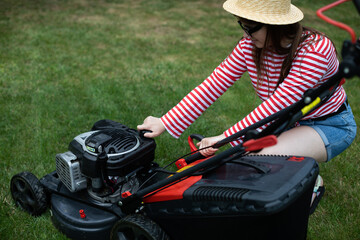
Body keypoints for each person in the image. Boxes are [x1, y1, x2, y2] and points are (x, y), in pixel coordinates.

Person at [137, 0, 357, 207]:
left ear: (275, 24)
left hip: (329, 125)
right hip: (287, 123)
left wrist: (226, 139)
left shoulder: (315, 50)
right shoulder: (249, 46)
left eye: (251, 27)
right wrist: (165, 122)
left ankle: (311, 183)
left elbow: (279, 105)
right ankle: (296, 167)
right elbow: (214, 84)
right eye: (242, 25)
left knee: (252, 156)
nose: (245, 33)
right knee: (247, 156)